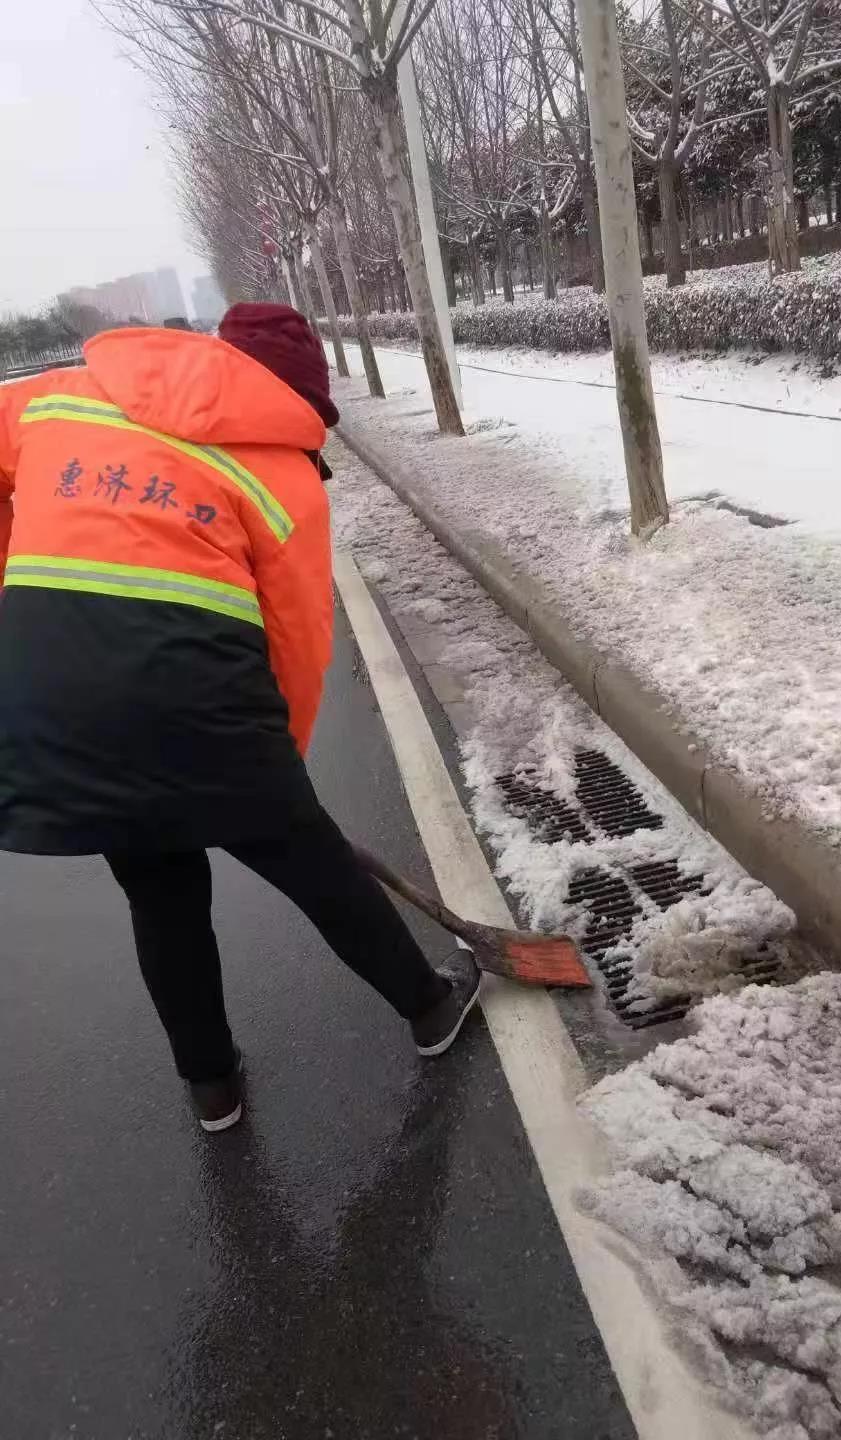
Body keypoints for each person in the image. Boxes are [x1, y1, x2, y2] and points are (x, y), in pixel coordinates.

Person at [0, 303, 480, 1133]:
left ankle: (212, 1088)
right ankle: (431, 1008)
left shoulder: (57, 399)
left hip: (58, 698)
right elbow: (298, 638)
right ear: (295, 397)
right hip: (204, 707)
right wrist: (275, 785)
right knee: (315, 865)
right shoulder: (282, 474)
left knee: (158, 890)